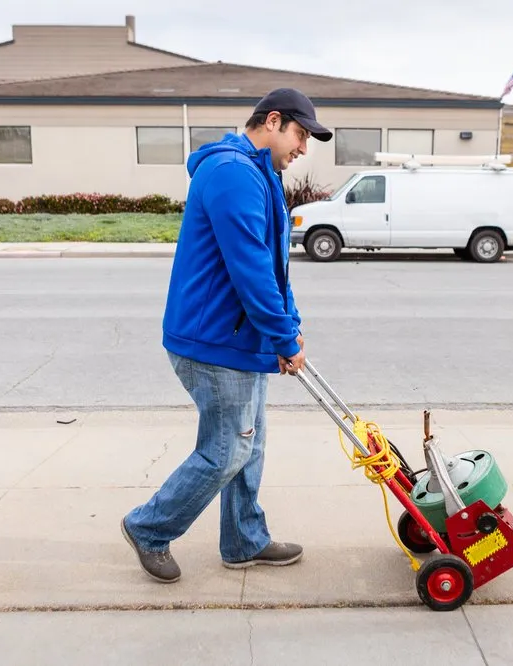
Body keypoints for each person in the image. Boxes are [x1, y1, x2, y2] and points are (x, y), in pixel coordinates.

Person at [121, 88, 333, 583]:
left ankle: (243, 540)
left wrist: (290, 330)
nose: (303, 147)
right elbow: (250, 271)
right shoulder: (234, 173)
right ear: (273, 121)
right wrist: (282, 338)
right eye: (300, 134)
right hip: (214, 342)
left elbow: (275, 267)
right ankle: (148, 527)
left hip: (238, 338)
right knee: (227, 449)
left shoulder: (259, 173)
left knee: (248, 444)